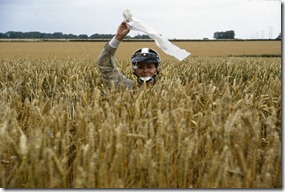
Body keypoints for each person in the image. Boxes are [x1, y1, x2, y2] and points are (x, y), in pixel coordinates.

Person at [97, 21, 160, 90]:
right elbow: (104, 63)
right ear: (134, 70)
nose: (145, 70)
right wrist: (118, 37)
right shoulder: (125, 86)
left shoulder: (168, 90)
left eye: (149, 67)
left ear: (157, 69)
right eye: (140, 67)